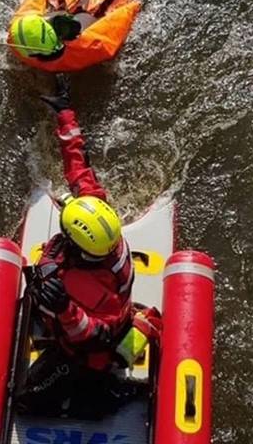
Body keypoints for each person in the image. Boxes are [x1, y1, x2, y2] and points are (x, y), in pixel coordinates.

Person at [16, 74, 162, 419]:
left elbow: (95, 335)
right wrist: (65, 113)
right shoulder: (98, 220)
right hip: (90, 317)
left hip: (90, 351)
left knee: (28, 403)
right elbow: (78, 167)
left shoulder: (93, 289)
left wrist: (65, 309)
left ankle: (109, 391)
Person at [7, 0, 143, 72]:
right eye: (57, 24)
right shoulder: (93, 45)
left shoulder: (19, 35)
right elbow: (129, 10)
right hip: (97, 7)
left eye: (45, 18)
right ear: (59, 43)